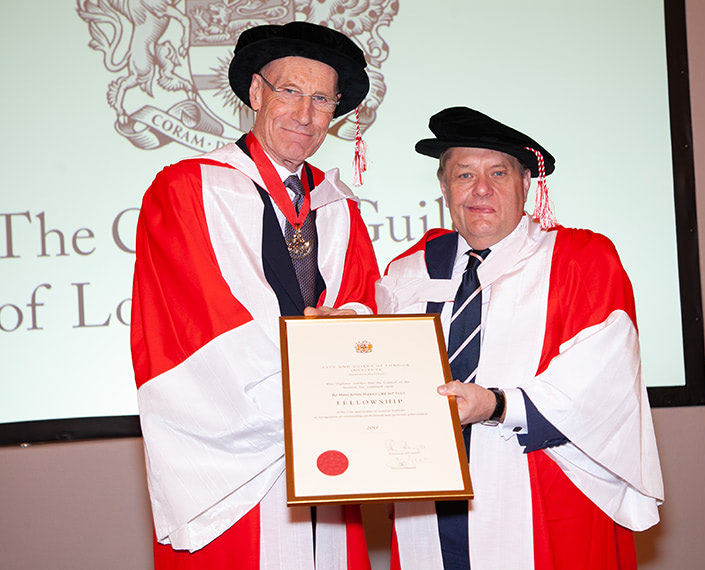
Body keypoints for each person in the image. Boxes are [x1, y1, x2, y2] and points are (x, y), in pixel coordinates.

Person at [130, 22, 380, 569]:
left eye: (321, 99)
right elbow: (203, 323)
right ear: (256, 93)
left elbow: (366, 301)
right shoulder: (188, 188)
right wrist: (313, 383)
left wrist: (350, 337)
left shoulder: (338, 206)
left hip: (328, 447)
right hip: (238, 454)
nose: (305, 113)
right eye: (289, 91)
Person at [376, 106, 664, 569]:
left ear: (525, 183)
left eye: (498, 172)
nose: (481, 189)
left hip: (544, 496)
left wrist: (496, 403)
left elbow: (602, 384)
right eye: (464, 174)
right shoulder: (408, 271)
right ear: (444, 188)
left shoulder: (581, 261)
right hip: (426, 502)